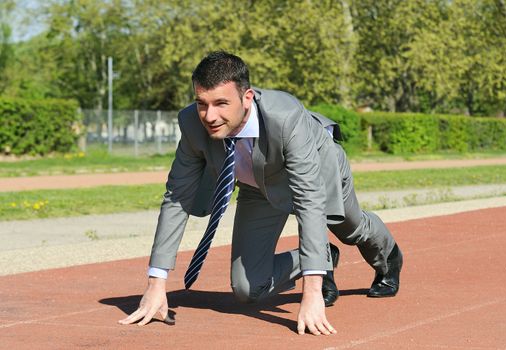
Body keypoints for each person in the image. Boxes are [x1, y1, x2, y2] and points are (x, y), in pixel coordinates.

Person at [119, 51, 403, 336]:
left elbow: (308, 199)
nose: (210, 115)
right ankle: (321, 256)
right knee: (247, 288)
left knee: (349, 228)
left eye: (221, 103)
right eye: (201, 103)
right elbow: (177, 197)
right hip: (257, 186)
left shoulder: (286, 116)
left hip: (317, 169)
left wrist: (312, 291)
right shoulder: (192, 124)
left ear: (247, 97)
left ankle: (388, 257)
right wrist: (156, 283)